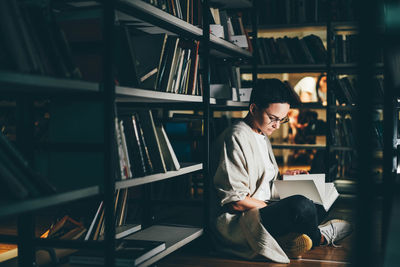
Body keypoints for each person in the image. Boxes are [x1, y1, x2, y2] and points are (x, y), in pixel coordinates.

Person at [210, 79, 351, 263]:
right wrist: (275, 208)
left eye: (282, 119)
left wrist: (286, 177)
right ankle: (319, 237)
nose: (277, 125)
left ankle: (291, 238)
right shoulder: (235, 137)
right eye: (273, 118)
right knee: (302, 206)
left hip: (266, 205)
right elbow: (234, 202)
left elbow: (261, 180)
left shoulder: (261, 133)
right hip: (243, 220)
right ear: (253, 109)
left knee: (324, 194)